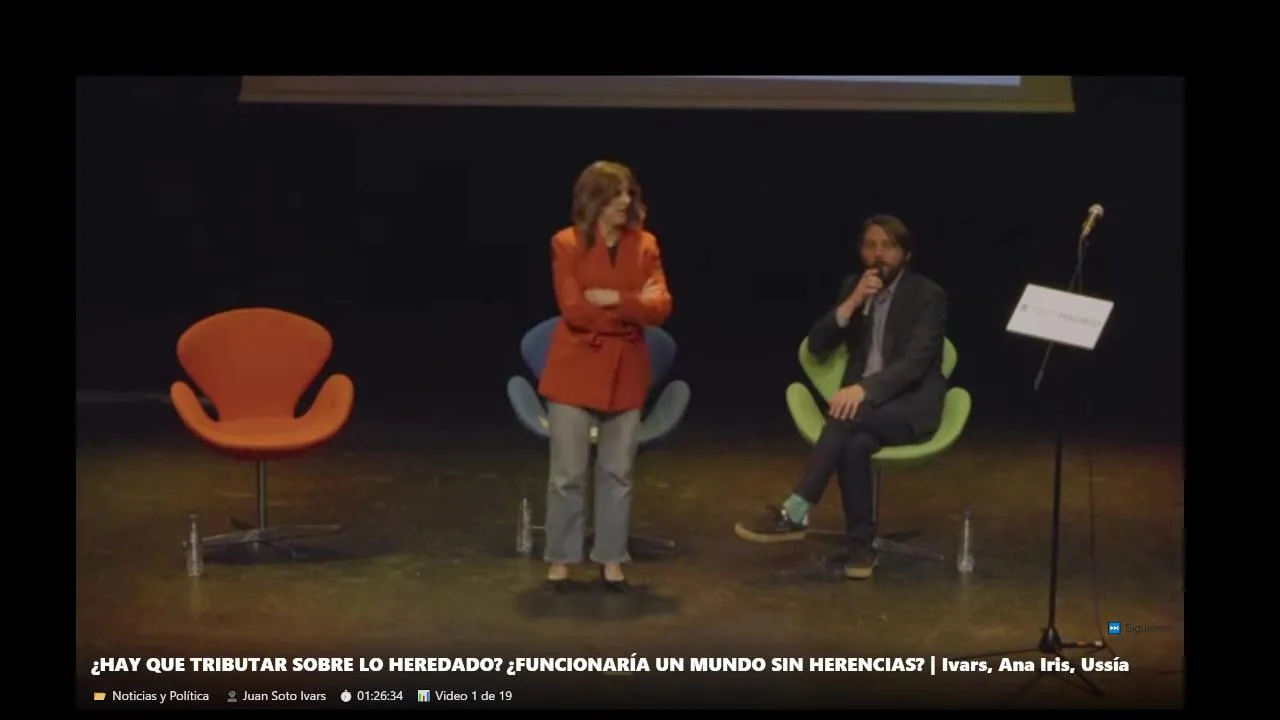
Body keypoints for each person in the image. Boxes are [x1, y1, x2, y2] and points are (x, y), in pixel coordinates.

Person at [734, 214, 947, 580]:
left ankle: (797, 508)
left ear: (906, 255)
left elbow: (915, 363)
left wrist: (864, 389)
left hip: (910, 407)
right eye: (870, 246)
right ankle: (861, 545)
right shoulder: (854, 286)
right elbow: (817, 345)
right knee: (855, 444)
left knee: (846, 414)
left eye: (888, 246)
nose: (878, 254)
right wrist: (851, 303)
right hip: (866, 410)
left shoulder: (928, 295)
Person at [537, 160, 673, 592]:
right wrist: (634, 307)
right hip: (574, 370)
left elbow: (661, 308)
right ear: (594, 199)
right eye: (616, 195)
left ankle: (611, 558)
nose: (625, 201)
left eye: (629, 193)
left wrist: (614, 297)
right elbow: (574, 310)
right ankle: (562, 558)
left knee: (618, 472)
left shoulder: (646, 245)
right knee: (568, 474)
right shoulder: (566, 243)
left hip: (626, 371)